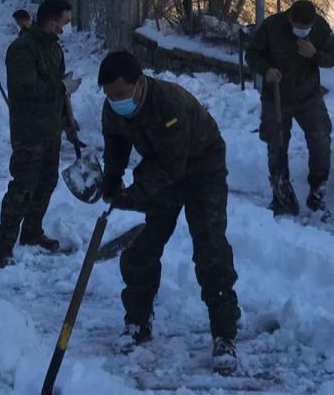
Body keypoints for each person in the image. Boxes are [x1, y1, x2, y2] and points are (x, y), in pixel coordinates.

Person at [98, 51, 241, 371]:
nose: (115, 100)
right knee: (141, 248)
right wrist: (111, 179)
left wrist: (134, 196)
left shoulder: (169, 104)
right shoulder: (113, 107)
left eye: (120, 94)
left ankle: (225, 336)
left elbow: (171, 167)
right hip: (161, 167)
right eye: (109, 95)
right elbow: (115, 143)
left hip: (203, 167)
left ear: (140, 83)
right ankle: (137, 324)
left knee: (210, 249)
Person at [0, 0, 82, 266]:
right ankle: (4, 246)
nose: (64, 29)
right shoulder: (22, 49)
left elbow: (59, 91)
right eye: (64, 23)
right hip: (29, 131)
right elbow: (26, 89)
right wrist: (62, 88)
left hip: (51, 130)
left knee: (46, 183)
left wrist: (68, 124)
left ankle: (32, 233)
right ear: (50, 20)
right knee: (22, 188)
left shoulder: (54, 49)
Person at [245, 0, 334, 215]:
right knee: (276, 143)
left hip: (309, 96)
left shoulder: (320, 28)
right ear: (290, 18)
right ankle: (281, 190)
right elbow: (252, 54)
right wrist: (266, 70)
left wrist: (315, 54)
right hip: (276, 96)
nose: (303, 32)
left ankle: (317, 190)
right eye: (299, 27)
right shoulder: (272, 26)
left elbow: (332, 58)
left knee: (321, 139)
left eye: (307, 29)